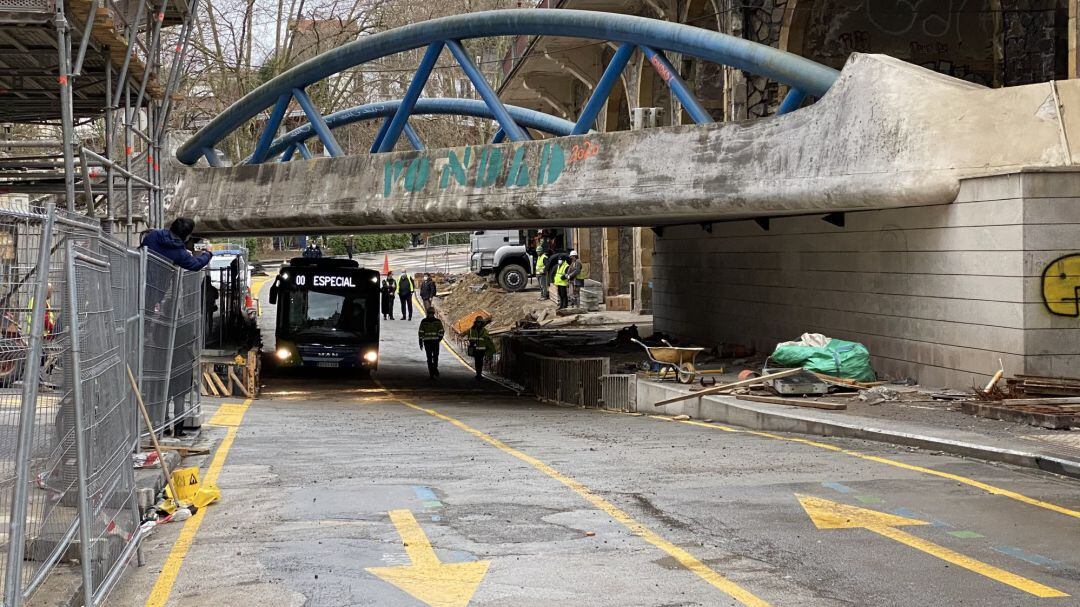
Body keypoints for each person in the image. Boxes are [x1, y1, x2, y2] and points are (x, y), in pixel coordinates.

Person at [140, 218, 212, 271]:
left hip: (137, 276)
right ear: (187, 236)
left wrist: (201, 247)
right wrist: (208, 253)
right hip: (157, 285)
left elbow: (185, 246)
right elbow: (196, 265)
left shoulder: (154, 234)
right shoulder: (179, 253)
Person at [417, 308, 445, 379]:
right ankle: (431, 373)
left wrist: (439, 339)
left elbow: (441, 331)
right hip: (427, 342)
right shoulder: (424, 322)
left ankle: (435, 368)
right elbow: (421, 332)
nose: (431, 315)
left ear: (434, 314)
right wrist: (420, 342)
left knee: (435, 357)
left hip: (435, 342)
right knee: (429, 358)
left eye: (432, 313)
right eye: (429, 313)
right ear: (427, 313)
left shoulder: (437, 321)